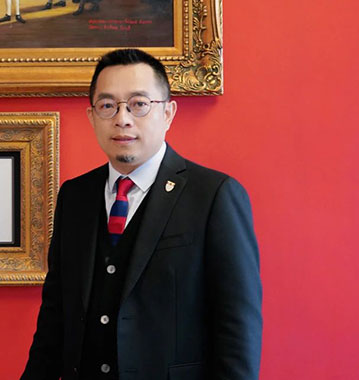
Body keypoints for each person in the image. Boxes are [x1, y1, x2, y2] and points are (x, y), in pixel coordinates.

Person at [20, 49, 262, 380]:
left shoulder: (213, 196)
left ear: (168, 113)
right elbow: (54, 318)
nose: (122, 118)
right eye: (108, 105)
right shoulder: (75, 196)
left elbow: (237, 327)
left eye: (139, 104)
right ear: (92, 116)